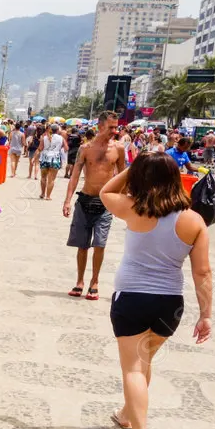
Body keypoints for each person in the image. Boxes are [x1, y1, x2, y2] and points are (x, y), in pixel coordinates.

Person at [100, 153, 212, 429]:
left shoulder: (134, 207)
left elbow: (105, 192)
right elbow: (202, 273)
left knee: (133, 368)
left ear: (142, 178)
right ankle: (126, 415)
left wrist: (131, 168)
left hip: (132, 298)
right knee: (144, 361)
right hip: (170, 304)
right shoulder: (193, 220)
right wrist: (206, 315)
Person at [62, 111, 126, 301]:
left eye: (116, 127)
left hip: (105, 204)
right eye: (111, 127)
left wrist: (123, 201)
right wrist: (67, 200)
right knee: (82, 246)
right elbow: (74, 176)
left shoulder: (119, 149)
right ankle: (80, 281)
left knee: (100, 244)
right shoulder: (85, 148)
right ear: (100, 126)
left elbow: (123, 175)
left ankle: (94, 282)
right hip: (84, 201)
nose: (115, 131)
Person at [38, 123, 65, 199]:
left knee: (43, 177)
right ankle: (48, 196)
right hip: (55, 159)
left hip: (44, 158)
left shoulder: (44, 137)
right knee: (51, 179)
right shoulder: (61, 138)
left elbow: (40, 148)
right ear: (57, 130)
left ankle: (42, 194)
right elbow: (63, 147)